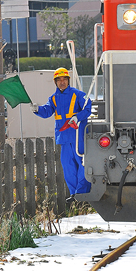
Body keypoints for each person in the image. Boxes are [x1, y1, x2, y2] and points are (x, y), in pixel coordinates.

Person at [31, 67, 92, 203]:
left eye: (64, 79)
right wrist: (37, 109)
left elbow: (88, 109)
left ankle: (82, 192)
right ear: (55, 82)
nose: (62, 82)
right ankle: (74, 194)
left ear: (68, 80)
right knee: (68, 166)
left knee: (83, 164)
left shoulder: (78, 94)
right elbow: (47, 111)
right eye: (59, 80)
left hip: (78, 137)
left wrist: (78, 117)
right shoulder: (53, 98)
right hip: (64, 138)